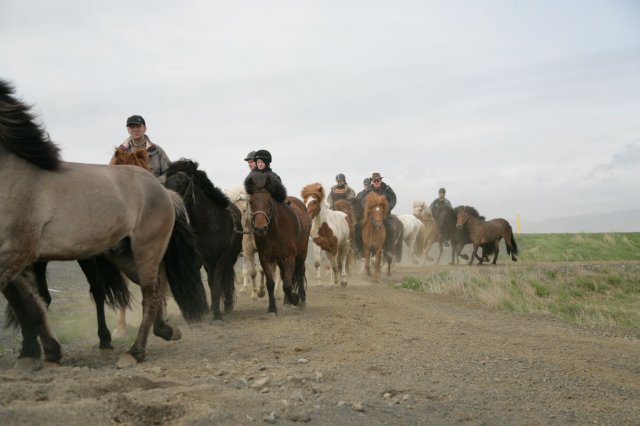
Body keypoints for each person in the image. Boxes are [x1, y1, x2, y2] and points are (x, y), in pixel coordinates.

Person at [114, 115, 171, 180]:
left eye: (138, 126)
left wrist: (156, 184)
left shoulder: (157, 150)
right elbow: (112, 173)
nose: (135, 129)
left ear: (145, 128)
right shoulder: (120, 152)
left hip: (153, 189)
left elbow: (169, 172)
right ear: (128, 130)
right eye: (132, 127)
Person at [361, 172, 397, 257]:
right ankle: (360, 250)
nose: (376, 182)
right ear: (372, 181)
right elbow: (363, 201)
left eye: (378, 180)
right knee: (359, 227)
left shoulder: (387, 189)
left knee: (391, 228)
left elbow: (393, 200)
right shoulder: (368, 190)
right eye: (374, 181)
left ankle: (388, 250)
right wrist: (368, 209)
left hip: (385, 214)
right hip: (372, 216)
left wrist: (387, 209)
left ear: (380, 180)